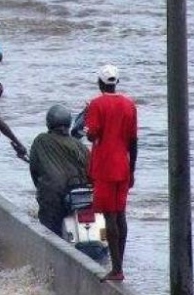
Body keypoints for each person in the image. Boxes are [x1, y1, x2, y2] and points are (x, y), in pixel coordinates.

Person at [85, 64, 137, 282]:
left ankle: (116, 269)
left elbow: (91, 134)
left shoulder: (96, 104)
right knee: (121, 214)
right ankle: (120, 265)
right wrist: (132, 168)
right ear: (117, 83)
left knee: (110, 217)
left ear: (99, 83)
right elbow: (133, 141)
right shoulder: (129, 104)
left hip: (105, 165)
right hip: (123, 165)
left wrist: (88, 120)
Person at [29, 104, 90, 236]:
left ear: (49, 123)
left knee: (50, 233)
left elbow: (34, 169)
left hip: (51, 195)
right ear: (68, 123)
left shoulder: (41, 140)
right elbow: (89, 169)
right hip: (79, 196)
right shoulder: (79, 145)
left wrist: (40, 187)